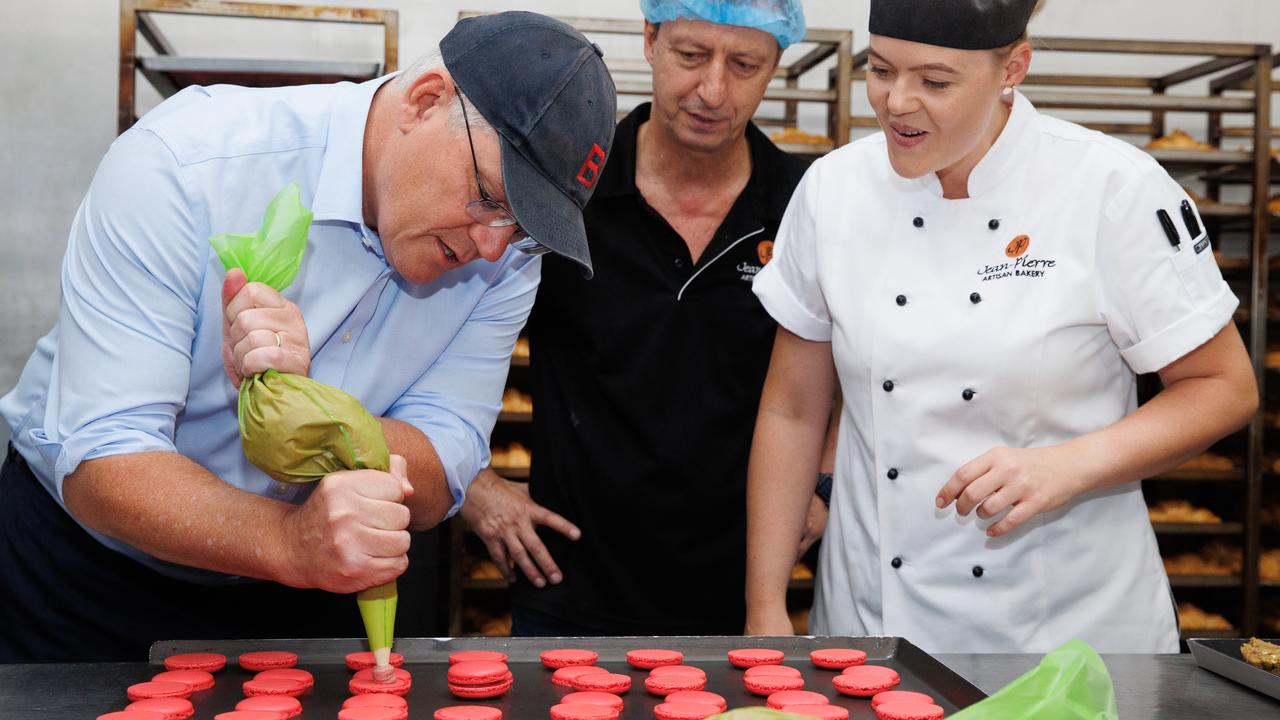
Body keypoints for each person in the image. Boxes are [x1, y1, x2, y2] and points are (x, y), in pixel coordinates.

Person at [0, 11, 616, 662]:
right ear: (425, 100)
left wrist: (308, 406)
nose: (493, 248)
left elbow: (444, 463)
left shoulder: (508, 258)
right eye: (489, 196)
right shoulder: (187, 164)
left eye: (524, 228)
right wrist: (291, 539)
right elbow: (105, 455)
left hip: (304, 578)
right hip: (88, 573)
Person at [744, 0, 1257, 654]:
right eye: (880, 70)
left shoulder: (1108, 187)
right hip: (868, 620)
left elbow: (1224, 386)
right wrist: (764, 604)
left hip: (1063, 633)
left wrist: (1067, 465)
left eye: (935, 82)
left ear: (1012, 66)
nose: (897, 101)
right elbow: (792, 409)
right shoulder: (833, 190)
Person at [459, 0, 817, 636]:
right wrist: (472, 484)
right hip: (568, 591)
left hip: (741, 594)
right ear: (651, 39)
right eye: (690, 56)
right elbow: (443, 337)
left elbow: (855, 366)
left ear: (775, 67)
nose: (711, 89)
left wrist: (823, 489)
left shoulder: (803, 206)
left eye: (743, 65)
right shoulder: (568, 194)